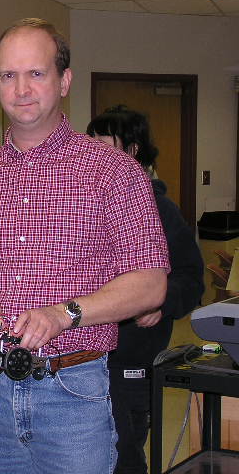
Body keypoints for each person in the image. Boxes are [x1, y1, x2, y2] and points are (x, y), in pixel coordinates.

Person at [0, 18, 170, 474]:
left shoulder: (114, 172)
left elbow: (150, 283)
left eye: (36, 73)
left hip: (73, 391)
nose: (21, 89)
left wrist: (65, 314)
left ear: (64, 82)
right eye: (8, 75)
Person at [87, 105, 204, 474]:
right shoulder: (86, 201)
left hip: (131, 357)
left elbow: (191, 279)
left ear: (132, 149)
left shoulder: (160, 209)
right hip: (83, 355)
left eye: (102, 141)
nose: (93, 150)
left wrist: (160, 301)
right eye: (90, 140)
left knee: (125, 453)